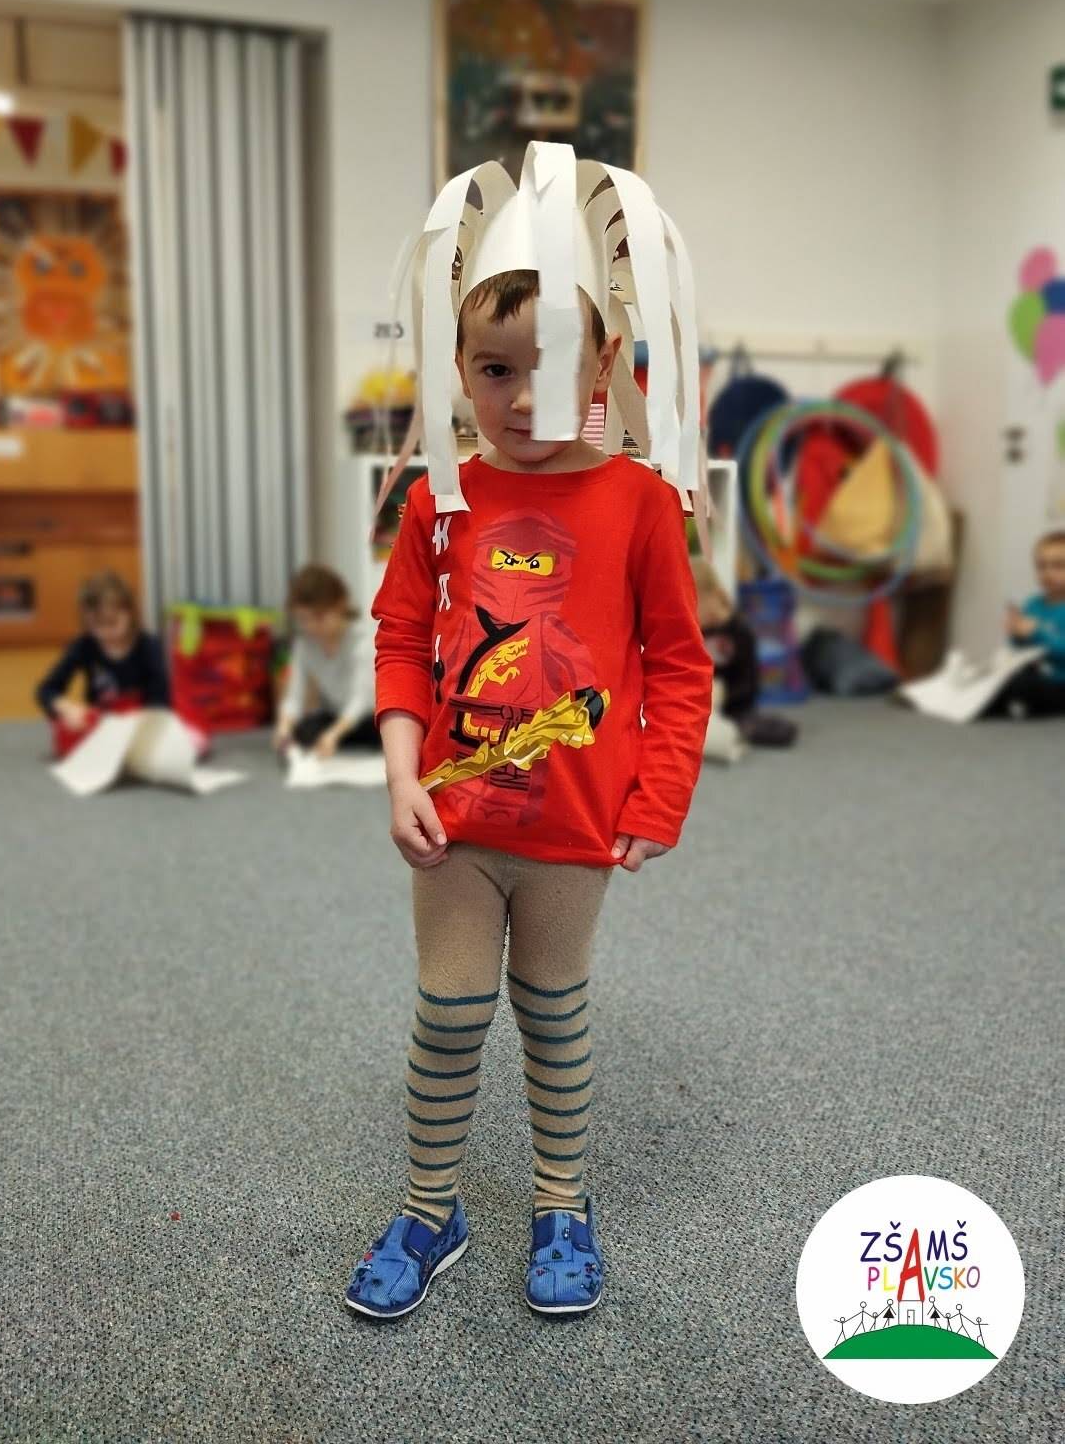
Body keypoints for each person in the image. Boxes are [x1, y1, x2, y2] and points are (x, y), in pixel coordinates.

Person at [344, 145, 712, 1322]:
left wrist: (656, 797)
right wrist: (398, 774)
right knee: (449, 1011)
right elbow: (399, 637)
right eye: (494, 369)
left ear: (604, 362)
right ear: (457, 368)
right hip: (453, 819)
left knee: (552, 1011)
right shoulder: (436, 498)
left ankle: (560, 1201)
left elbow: (678, 663)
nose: (518, 396)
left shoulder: (639, 502)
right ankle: (429, 1206)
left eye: (550, 365)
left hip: (573, 824)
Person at [36, 570, 169, 748]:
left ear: (130, 613)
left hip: (142, 725)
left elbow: (161, 698)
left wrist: (144, 722)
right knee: (67, 733)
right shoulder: (84, 646)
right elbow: (45, 690)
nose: (105, 632)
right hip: (101, 725)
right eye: (96, 625)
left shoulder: (149, 646)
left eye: (112, 623)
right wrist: (65, 707)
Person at [271, 565, 378, 758]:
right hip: (335, 715)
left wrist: (334, 734)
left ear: (340, 605)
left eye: (319, 617)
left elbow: (362, 700)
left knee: (382, 731)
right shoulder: (305, 645)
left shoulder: (361, 641)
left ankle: (338, 742)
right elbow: (295, 696)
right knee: (304, 730)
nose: (311, 626)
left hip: (368, 717)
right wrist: (283, 728)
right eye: (303, 619)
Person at [691, 557, 797, 747]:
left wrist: (724, 695)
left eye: (693, 607)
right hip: (701, 706)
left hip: (734, 707)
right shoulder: (695, 634)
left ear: (711, 596)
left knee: (769, 729)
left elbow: (749, 684)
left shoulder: (740, 632)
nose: (689, 616)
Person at [996, 528, 1065, 718]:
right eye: (1041, 566)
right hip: (1037, 676)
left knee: (1022, 685)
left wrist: (1037, 633)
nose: (1048, 573)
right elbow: (1020, 649)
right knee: (1001, 677)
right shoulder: (1032, 604)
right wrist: (1017, 634)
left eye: (1059, 566)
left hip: (1061, 682)